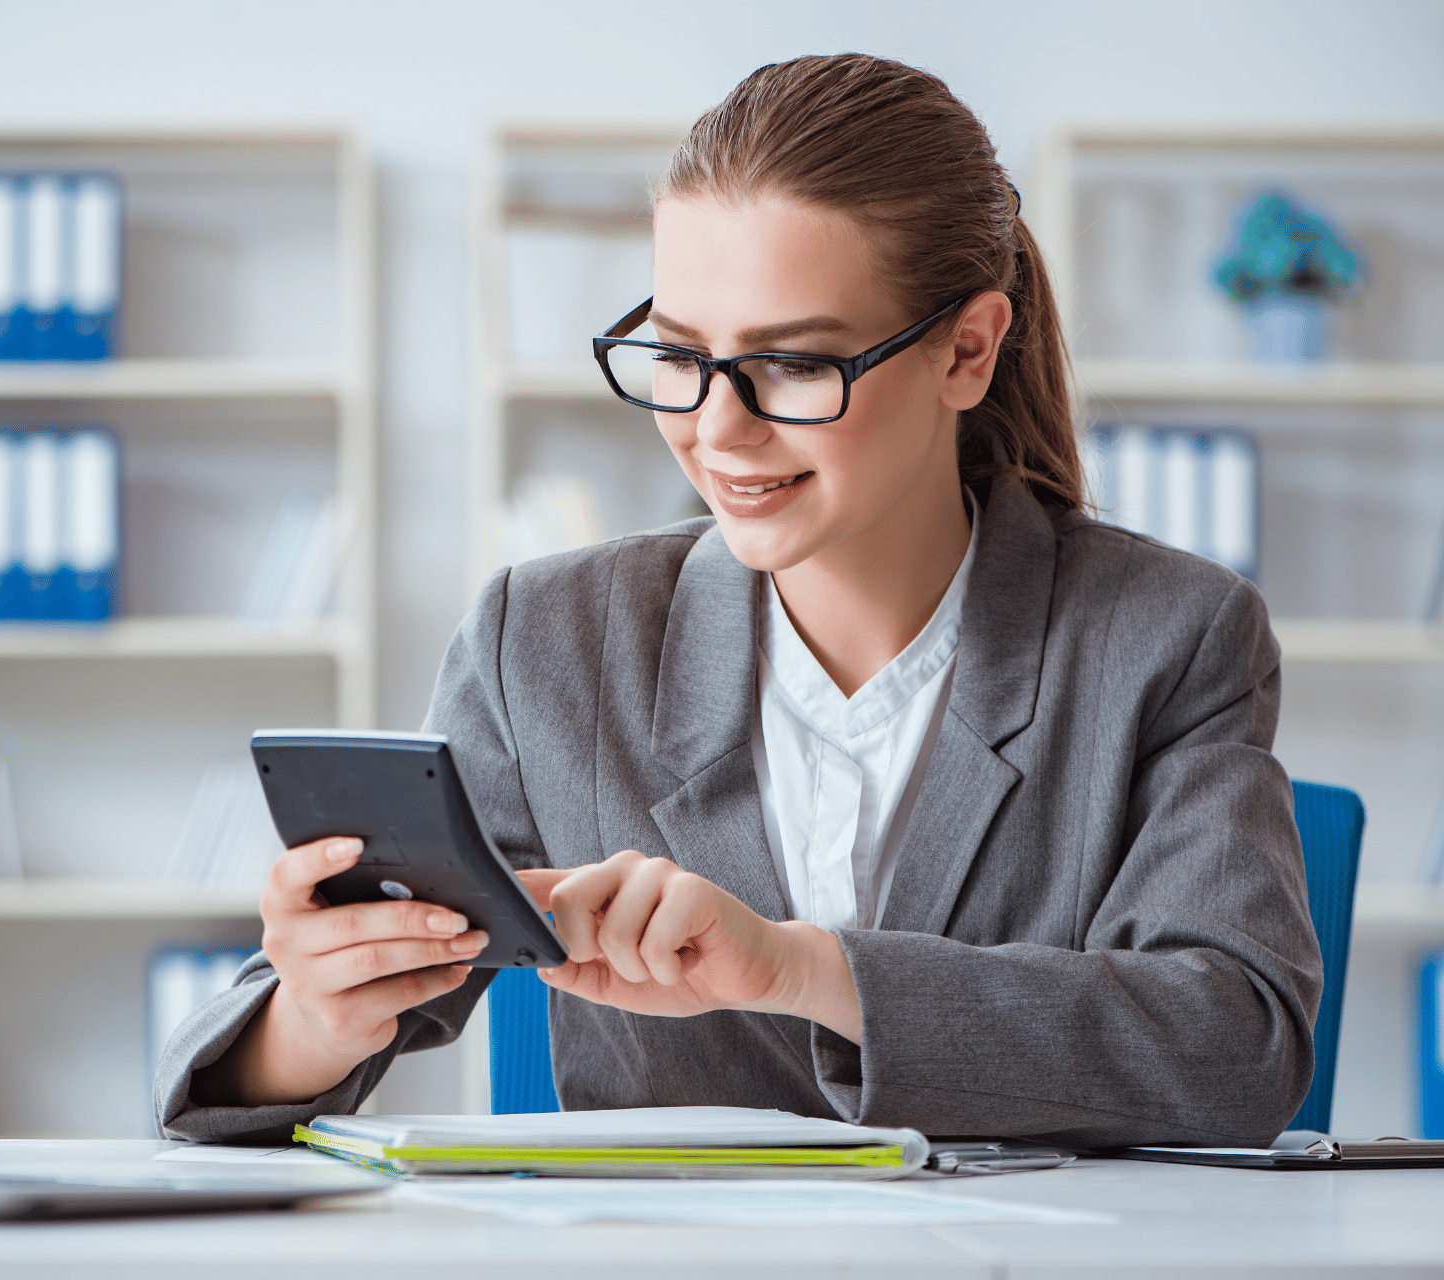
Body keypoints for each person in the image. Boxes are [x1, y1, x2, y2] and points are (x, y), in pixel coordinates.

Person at [156, 54, 1320, 1148]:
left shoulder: (1169, 634)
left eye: (797, 365)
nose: (717, 429)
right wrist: (316, 1011)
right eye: (677, 354)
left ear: (967, 350)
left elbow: (1237, 1045)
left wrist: (804, 969)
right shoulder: (545, 638)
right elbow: (248, 1077)